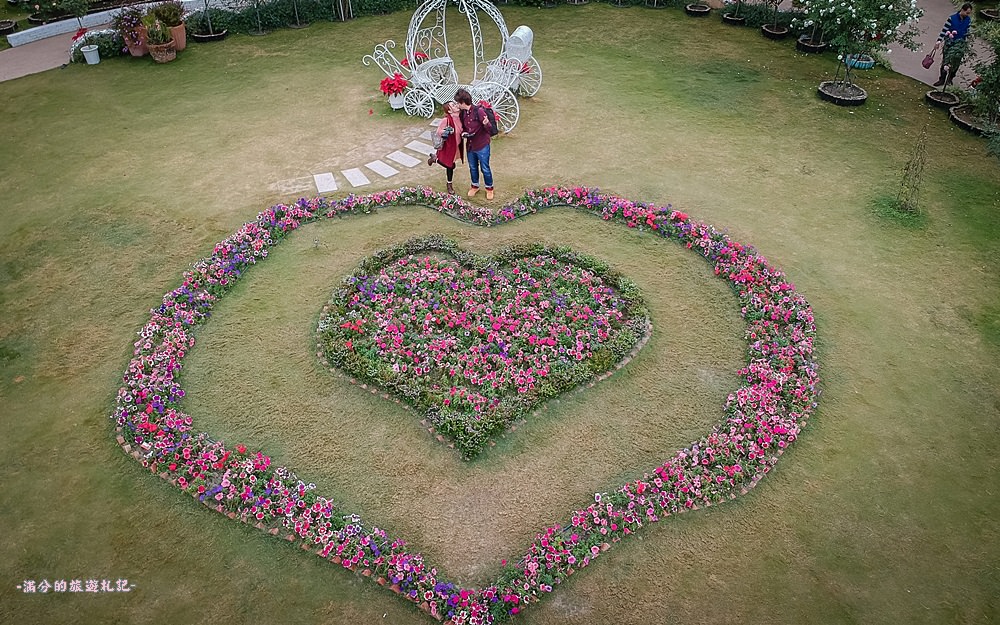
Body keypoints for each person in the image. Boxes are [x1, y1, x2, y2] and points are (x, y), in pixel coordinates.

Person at [454, 88, 495, 201]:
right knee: (472, 167)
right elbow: (463, 128)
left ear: (463, 102)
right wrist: (463, 133)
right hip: (470, 145)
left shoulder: (479, 111)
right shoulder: (463, 113)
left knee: (485, 168)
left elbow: (489, 129)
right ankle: (475, 186)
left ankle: (489, 188)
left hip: (482, 145)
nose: (457, 105)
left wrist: (486, 123)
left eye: (458, 103)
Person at [933, 3, 973, 88]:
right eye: (967, 12)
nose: (968, 15)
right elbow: (944, 30)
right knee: (945, 61)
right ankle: (942, 79)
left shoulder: (968, 20)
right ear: (962, 10)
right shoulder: (952, 18)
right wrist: (939, 41)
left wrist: (968, 41)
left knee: (956, 63)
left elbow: (968, 32)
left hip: (960, 44)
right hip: (950, 43)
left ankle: (950, 79)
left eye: (969, 13)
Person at [427, 101, 464, 195]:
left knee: (451, 164)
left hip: (456, 146)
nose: (456, 105)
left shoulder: (460, 117)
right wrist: (447, 131)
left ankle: (435, 158)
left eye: (455, 104)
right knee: (450, 165)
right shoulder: (446, 120)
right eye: (453, 105)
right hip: (447, 146)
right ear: (449, 111)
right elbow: (438, 131)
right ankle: (449, 184)